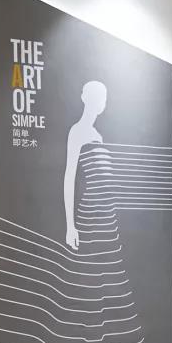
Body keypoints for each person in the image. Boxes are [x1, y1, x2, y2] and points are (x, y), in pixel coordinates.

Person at [62, 80, 107, 250]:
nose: (101, 102)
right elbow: (70, 178)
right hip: (86, 215)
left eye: (103, 98)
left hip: (102, 216)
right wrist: (70, 226)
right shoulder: (77, 131)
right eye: (98, 97)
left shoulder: (98, 135)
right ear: (85, 98)